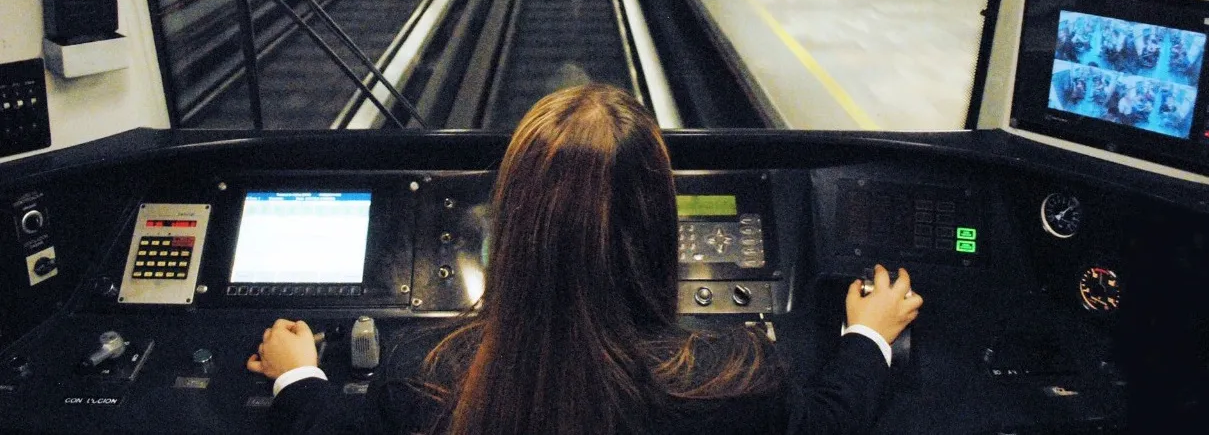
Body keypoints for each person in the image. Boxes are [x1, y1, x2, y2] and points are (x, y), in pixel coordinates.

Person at [247, 84, 923, 434]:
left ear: (509, 227)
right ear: (657, 227)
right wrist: (867, 337)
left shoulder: (425, 377)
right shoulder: (733, 382)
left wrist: (298, 378)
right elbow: (829, 423)